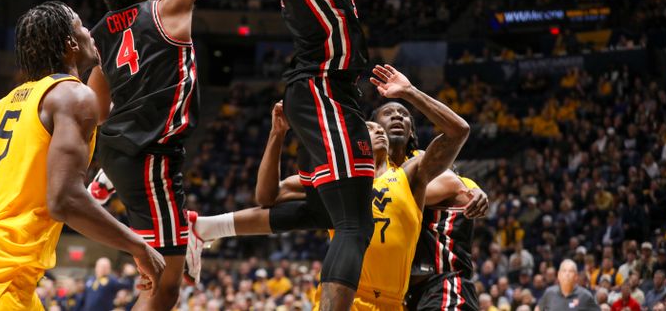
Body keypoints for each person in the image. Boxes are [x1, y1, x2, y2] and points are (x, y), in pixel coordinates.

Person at [234, 0, 459, 310]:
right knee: (353, 222)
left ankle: (211, 227)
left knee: (346, 211)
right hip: (317, 86)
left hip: (337, 90)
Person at [0, 2, 165, 310]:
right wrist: (138, 246)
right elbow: (65, 200)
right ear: (71, 44)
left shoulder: (2, 106)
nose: (90, 32)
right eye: (82, 26)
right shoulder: (73, 96)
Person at [86, 0, 257, 310]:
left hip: (123, 150)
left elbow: (95, 108)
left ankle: (106, 181)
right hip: (149, 159)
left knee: (156, 270)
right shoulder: (168, 8)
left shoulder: (102, 33)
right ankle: (115, 185)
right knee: (164, 282)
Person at [189, 64, 471, 310]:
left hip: (393, 301)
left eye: (385, 125)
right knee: (309, 210)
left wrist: (409, 91)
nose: (381, 129)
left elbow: (458, 132)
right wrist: (277, 135)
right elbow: (268, 196)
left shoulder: (412, 174)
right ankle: (205, 228)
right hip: (345, 292)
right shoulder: (340, 177)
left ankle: (206, 228)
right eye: (371, 127)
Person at [371, 80, 488, 311]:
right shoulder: (371, 175)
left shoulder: (424, 165)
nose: (397, 117)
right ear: (371, 130)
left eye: (403, 114)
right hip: (402, 296)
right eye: (388, 113)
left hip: (443, 283)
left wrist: (472, 186)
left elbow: (455, 185)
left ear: (411, 130)